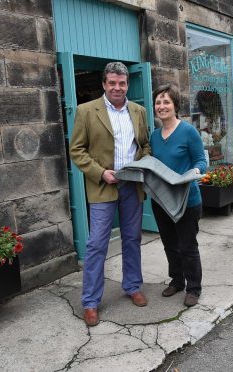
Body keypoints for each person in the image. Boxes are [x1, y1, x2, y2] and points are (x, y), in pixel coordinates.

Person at [69, 62, 151, 326]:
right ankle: (90, 302)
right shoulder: (86, 111)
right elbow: (77, 150)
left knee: (132, 238)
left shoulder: (138, 111)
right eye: (112, 83)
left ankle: (132, 286)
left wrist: (142, 163)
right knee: (96, 245)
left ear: (127, 84)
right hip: (103, 184)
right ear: (104, 84)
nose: (118, 87)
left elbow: (145, 145)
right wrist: (100, 172)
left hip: (131, 185)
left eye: (122, 83)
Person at [150, 84, 207, 307]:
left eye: (166, 102)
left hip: (186, 200)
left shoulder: (188, 131)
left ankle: (194, 287)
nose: (162, 106)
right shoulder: (154, 136)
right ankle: (177, 280)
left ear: (175, 105)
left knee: (188, 246)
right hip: (161, 200)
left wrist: (196, 171)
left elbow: (201, 160)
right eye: (158, 102)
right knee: (169, 244)